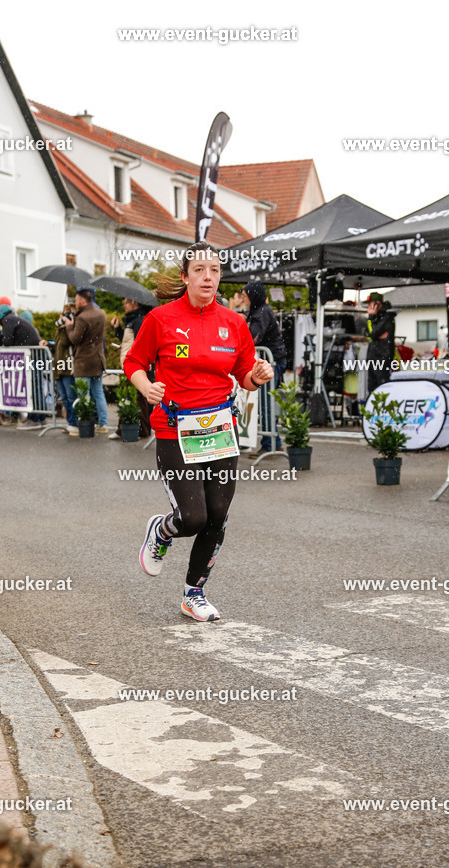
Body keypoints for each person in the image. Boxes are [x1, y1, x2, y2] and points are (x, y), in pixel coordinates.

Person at [124, 242, 273, 622]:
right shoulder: (160, 319)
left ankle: (194, 593)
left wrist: (254, 378)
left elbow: (243, 373)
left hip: (219, 428)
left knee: (218, 515)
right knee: (192, 517)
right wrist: (146, 388)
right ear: (185, 276)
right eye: (200, 270)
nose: (208, 276)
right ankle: (161, 530)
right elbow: (134, 362)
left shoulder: (234, 323)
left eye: (215, 270)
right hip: (175, 429)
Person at [242, 281, 286, 453]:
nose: (244, 300)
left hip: (272, 360)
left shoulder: (261, 313)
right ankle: (273, 443)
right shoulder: (260, 310)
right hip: (271, 359)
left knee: (266, 403)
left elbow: (253, 338)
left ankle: (270, 445)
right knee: (265, 403)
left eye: (246, 296)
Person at [63, 288, 109, 433]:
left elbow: (75, 339)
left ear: (82, 301)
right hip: (98, 359)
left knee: (84, 394)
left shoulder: (83, 317)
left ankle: (86, 422)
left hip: (83, 361)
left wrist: (69, 327)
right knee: (98, 392)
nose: (75, 303)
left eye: (76, 300)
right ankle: (103, 424)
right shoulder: (101, 314)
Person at [110, 298, 151, 439]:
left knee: (136, 398)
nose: (124, 305)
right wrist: (117, 329)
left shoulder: (138, 320)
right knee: (132, 397)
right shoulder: (132, 320)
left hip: (135, 366)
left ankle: (138, 430)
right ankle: (134, 429)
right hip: (130, 364)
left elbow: (141, 343)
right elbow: (128, 340)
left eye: (126, 302)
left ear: (135, 302)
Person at [364, 293, 396, 394]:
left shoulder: (387, 317)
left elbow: (372, 333)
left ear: (377, 304)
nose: (368, 307)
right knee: (372, 389)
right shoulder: (377, 318)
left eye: (370, 305)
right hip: (373, 358)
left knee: (382, 389)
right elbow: (368, 334)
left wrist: (371, 317)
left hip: (382, 358)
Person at [53, 305, 78, 434]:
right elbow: (57, 345)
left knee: (71, 397)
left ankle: (74, 422)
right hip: (58, 368)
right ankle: (70, 422)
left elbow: (65, 342)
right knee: (63, 397)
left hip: (67, 368)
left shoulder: (69, 330)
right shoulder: (59, 330)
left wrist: (67, 327)